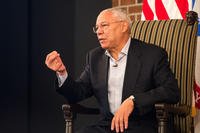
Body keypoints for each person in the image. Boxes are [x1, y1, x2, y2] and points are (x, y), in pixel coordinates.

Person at [45, 8, 179, 133]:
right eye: (97, 28)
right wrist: (62, 73)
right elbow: (78, 92)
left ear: (123, 26)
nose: (99, 31)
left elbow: (171, 91)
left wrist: (134, 101)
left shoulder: (152, 54)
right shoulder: (94, 57)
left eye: (104, 25)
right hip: (108, 125)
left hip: (142, 125)